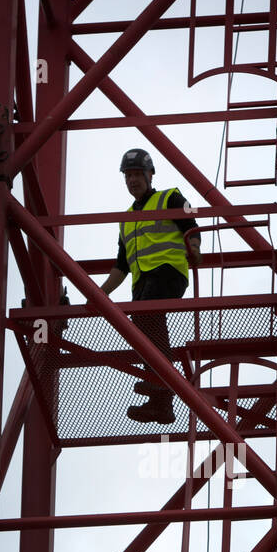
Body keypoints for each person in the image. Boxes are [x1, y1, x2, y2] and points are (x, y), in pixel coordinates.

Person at [101, 148, 201, 425]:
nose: (132, 180)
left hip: (169, 273)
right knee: (142, 331)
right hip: (142, 284)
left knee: (145, 320)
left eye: (136, 174)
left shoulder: (169, 197)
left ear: (149, 174)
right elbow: (121, 266)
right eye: (128, 175)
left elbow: (191, 221)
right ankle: (161, 402)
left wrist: (194, 246)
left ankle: (160, 381)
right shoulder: (125, 221)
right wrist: (100, 293)